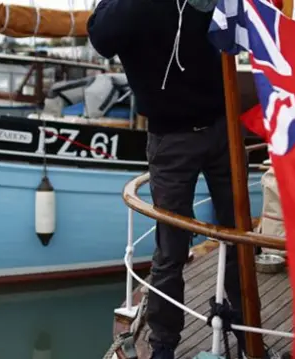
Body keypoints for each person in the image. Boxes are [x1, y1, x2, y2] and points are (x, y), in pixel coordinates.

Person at [88, 1, 247, 358]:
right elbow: (102, 37)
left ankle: (247, 333)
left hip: (224, 131)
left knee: (240, 237)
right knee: (171, 250)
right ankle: (164, 345)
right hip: (171, 139)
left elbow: (241, 25)